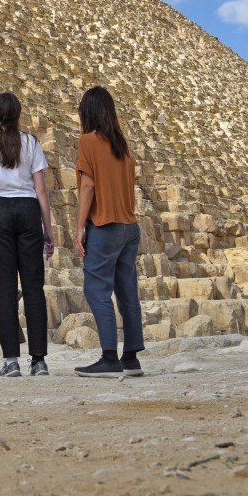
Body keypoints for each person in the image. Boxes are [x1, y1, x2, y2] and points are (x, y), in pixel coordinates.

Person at [0, 92, 53, 378]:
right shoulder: (30, 143)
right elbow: (41, 189)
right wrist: (48, 231)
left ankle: (11, 361)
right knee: (33, 288)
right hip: (28, 211)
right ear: (18, 114)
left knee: (5, 289)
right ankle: (39, 360)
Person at [73, 86, 144, 378]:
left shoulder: (88, 141)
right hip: (130, 227)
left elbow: (88, 186)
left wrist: (79, 226)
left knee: (96, 289)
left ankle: (109, 357)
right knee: (127, 291)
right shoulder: (123, 147)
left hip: (105, 225)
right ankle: (131, 358)